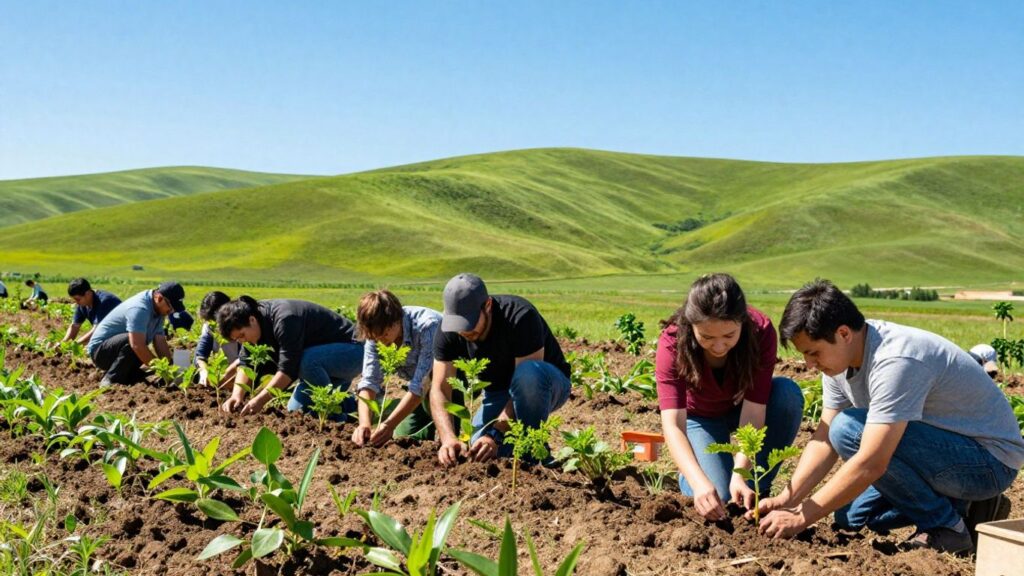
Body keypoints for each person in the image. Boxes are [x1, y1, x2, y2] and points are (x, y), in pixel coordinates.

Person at [755, 279, 1023, 554]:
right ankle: (964, 506)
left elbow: (872, 461)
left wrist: (803, 516)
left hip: (990, 461)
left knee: (847, 429)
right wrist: (788, 499)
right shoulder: (839, 362)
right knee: (850, 517)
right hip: (941, 455)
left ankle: (947, 528)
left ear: (844, 333)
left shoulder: (896, 359)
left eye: (813, 353)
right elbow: (823, 438)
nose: (810, 365)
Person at [656, 273, 804, 520]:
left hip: (741, 409)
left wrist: (741, 474)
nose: (718, 346)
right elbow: (673, 424)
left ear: (742, 323)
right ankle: (691, 475)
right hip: (700, 418)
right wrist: (699, 481)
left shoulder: (761, 331)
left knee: (787, 395)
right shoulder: (672, 342)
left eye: (729, 336)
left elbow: (754, 411)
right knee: (718, 498)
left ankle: (756, 490)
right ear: (690, 325)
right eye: (706, 337)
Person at [429, 273, 572, 466]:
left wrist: (495, 433)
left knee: (528, 375)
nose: (463, 331)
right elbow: (439, 388)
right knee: (479, 451)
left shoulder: (520, 316)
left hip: (546, 384)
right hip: (499, 393)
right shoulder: (449, 329)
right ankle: (515, 452)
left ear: (488, 305)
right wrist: (447, 438)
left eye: (469, 323)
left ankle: (535, 454)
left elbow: (528, 384)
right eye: (458, 325)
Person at [216, 296, 362, 417]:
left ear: (252, 320)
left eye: (242, 335)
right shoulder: (254, 326)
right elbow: (245, 363)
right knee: (296, 412)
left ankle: (336, 416)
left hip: (353, 351)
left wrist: (260, 400)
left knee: (306, 361)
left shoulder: (285, 319)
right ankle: (354, 405)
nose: (242, 341)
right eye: (238, 339)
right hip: (324, 363)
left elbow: (288, 370)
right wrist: (236, 395)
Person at [352, 289, 442, 447]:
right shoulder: (375, 334)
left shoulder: (428, 327)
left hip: (451, 379)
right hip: (418, 385)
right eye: (374, 337)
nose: (380, 341)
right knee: (405, 439)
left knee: (447, 431)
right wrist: (364, 424)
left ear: (397, 320)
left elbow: (421, 384)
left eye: (384, 335)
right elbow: (369, 380)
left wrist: (389, 424)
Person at [87, 281, 187, 386]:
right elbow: (137, 345)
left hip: (121, 350)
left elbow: (159, 341)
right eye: (171, 307)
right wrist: (162, 371)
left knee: (140, 348)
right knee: (135, 342)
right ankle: (111, 379)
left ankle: (130, 375)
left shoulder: (159, 310)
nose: (171, 312)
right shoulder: (140, 308)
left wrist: (170, 367)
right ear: (159, 298)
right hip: (100, 352)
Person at [193, 291, 239, 389]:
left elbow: (246, 360)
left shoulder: (241, 327)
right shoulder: (209, 327)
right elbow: (200, 356)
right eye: (211, 322)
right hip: (221, 376)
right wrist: (204, 372)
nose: (216, 327)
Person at [61, 278, 122, 345]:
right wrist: (63, 344)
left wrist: (76, 344)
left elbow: (97, 331)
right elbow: (75, 326)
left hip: (122, 335)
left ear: (87, 293)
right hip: (108, 336)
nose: (76, 302)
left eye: (78, 299)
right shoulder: (82, 304)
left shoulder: (105, 301)